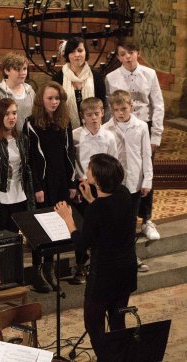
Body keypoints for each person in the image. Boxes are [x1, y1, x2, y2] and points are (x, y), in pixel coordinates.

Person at [55, 154, 136, 361]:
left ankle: (106, 357)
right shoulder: (124, 193)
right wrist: (91, 199)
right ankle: (119, 357)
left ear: (97, 179)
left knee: (93, 322)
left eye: (90, 168)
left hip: (104, 276)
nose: (87, 170)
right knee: (118, 320)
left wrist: (67, 219)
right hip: (126, 270)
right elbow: (109, 218)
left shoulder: (96, 210)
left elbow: (82, 244)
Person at [106, 38, 164, 241]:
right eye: (122, 54)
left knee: (145, 171)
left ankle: (146, 219)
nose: (127, 57)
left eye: (130, 53)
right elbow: (109, 108)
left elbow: (158, 105)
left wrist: (156, 135)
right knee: (121, 171)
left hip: (143, 127)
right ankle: (121, 219)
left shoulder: (150, 74)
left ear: (138, 53)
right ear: (118, 57)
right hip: (119, 128)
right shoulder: (111, 77)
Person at [23, 82, 76, 293]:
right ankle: (37, 271)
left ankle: (50, 268)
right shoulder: (31, 123)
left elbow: (69, 153)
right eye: (50, 98)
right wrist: (37, 186)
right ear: (41, 100)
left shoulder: (65, 121)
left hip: (61, 180)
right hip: (43, 182)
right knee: (41, 227)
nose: (54, 102)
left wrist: (71, 183)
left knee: (57, 224)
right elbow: (30, 159)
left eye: (57, 99)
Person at [103, 90, 153, 273]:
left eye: (124, 109)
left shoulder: (141, 126)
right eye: (116, 110)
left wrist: (147, 180)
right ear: (111, 109)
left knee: (130, 222)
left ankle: (131, 256)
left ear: (131, 106)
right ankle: (113, 257)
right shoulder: (105, 129)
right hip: (114, 185)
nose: (121, 113)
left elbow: (146, 154)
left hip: (134, 182)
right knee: (113, 221)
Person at [71, 97, 117, 285]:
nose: (94, 118)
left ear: (102, 113)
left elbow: (113, 163)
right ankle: (81, 265)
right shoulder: (75, 135)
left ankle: (99, 263)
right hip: (83, 185)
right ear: (82, 116)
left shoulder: (109, 137)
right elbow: (72, 161)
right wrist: (78, 183)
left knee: (101, 225)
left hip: (102, 187)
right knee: (83, 225)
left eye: (97, 114)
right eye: (89, 115)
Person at [0, 98, 35, 234]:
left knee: (15, 238)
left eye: (14, 113)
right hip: (0, 199)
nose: (12, 117)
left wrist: (31, 202)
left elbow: (27, 170)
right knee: (1, 239)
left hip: (20, 197)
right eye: (7, 114)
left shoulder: (22, 139)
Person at [53, 37, 107, 129]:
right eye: (72, 51)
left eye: (80, 50)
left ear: (86, 52)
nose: (77, 55)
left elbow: (102, 105)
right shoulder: (58, 78)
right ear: (67, 55)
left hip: (93, 128)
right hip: (65, 127)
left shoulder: (96, 77)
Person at [0, 52, 36, 129]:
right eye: (18, 69)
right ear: (7, 71)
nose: (22, 73)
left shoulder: (30, 92)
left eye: (24, 69)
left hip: (27, 135)